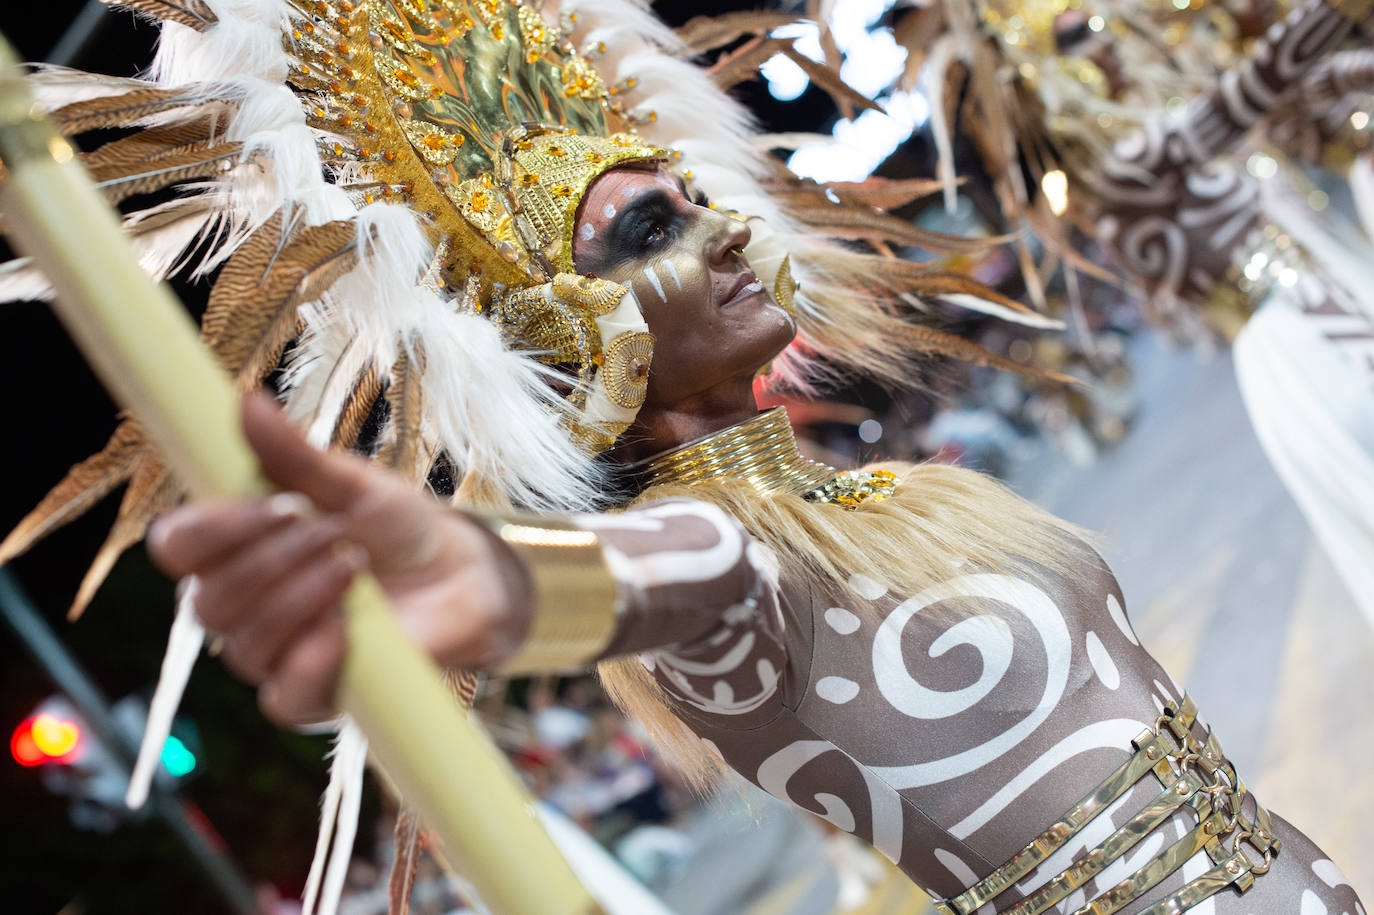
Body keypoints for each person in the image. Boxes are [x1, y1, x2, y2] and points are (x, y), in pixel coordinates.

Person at [146, 162, 1365, 914]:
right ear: (572, 346)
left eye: (694, 202)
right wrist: (498, 576)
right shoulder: (721, 562)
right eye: (646, 233)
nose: (722, 230)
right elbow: (657, 576)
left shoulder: (876, 495)